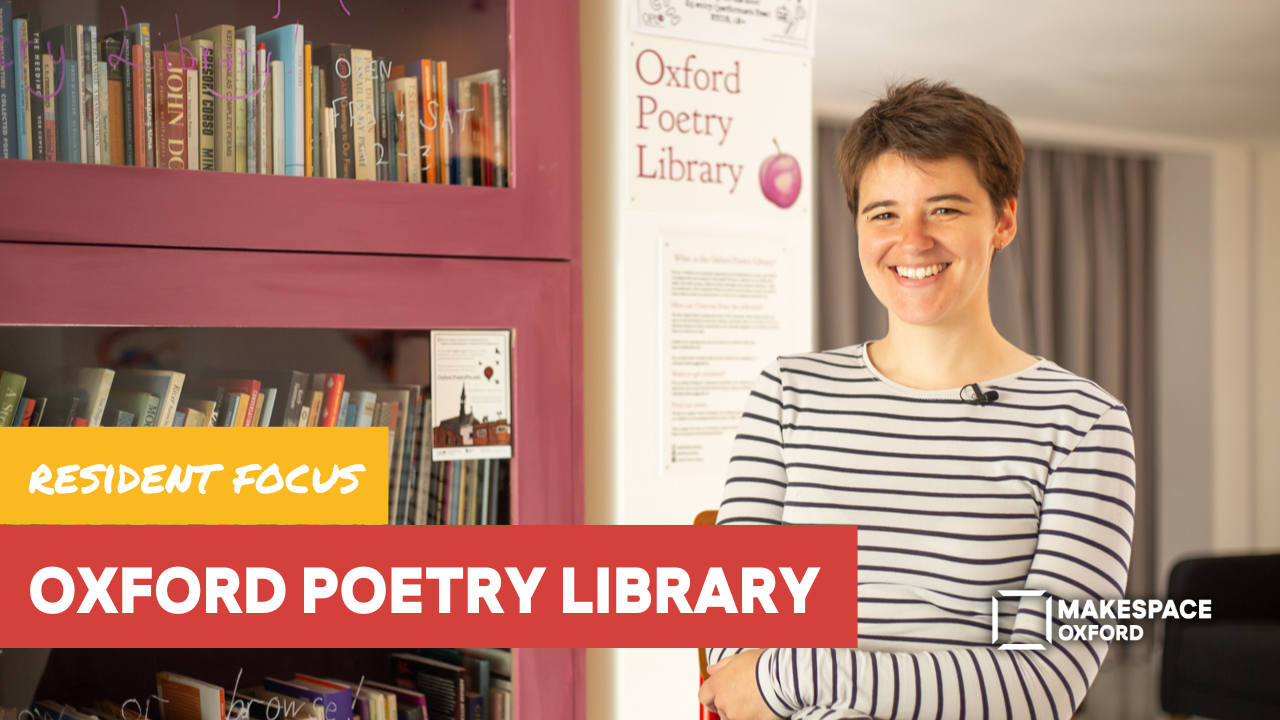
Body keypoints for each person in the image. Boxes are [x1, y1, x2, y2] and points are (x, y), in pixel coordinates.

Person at [698, 80, 1136, 720]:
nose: (912, 241)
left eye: (946, 209)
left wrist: (795, 671)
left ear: (1003, 221)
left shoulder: (1083, 424)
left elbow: (1045, 685)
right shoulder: (787, 393)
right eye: (883, 214)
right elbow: (734, 636)